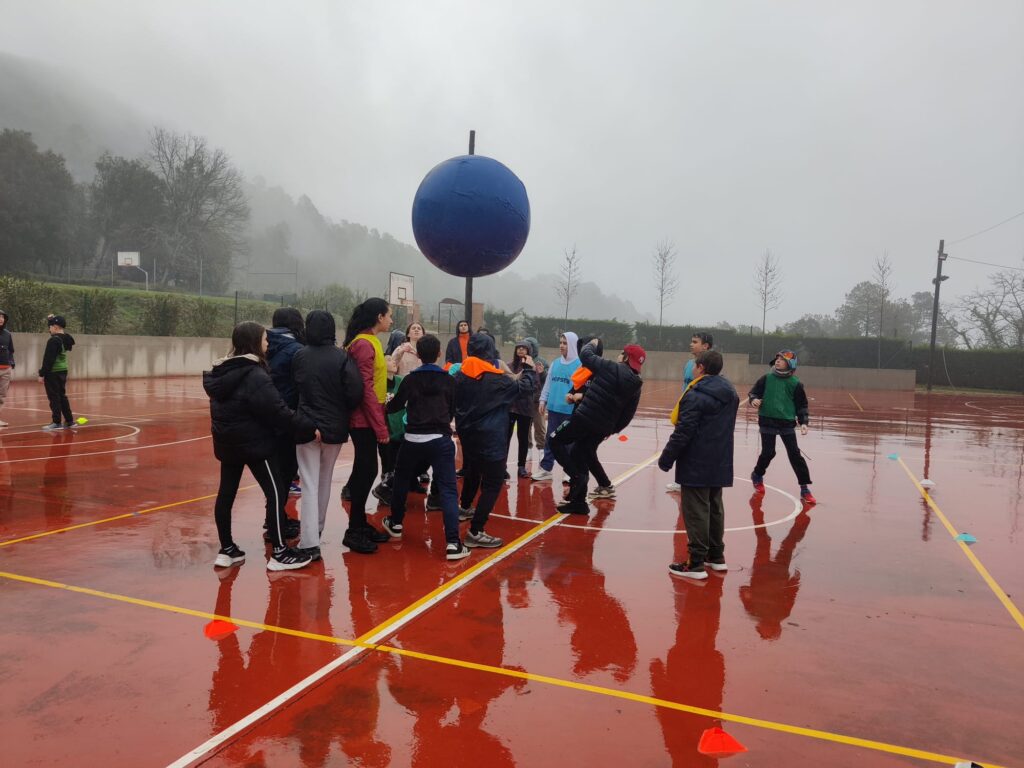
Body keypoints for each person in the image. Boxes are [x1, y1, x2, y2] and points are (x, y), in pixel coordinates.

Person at [203, 321, 317, 571]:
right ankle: (280, 552)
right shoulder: (255, 375)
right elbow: (277, 411)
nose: (268, 343)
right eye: (265, 339)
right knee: (275, 492)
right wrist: (309, 427)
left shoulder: (219, 372)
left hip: (227, 443)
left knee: (226, 494)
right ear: (255, 342)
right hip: (255, 443)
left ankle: (227, 549)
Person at [381, 334, 471, 560]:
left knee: (401, 481)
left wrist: (384, 403)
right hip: (440, 439)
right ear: (439, 354)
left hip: (412, 438)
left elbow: (394, 406)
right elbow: (453, 409)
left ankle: (396, 523)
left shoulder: (410, 380)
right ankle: (453, 543)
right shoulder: (449, 380)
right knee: (448, 490)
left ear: (418, 355)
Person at [657, 349, 739, 580]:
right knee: (714, 507)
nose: (692, 369)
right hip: (720, 458)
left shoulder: (695, 395)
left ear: (701, 368)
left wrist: (666, 458)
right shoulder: (730, 393)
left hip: (696, 460)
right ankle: (716, 556)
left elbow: (684, 431)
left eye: (694, 365)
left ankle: (695, 563)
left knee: (696, 511)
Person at [291, 310, 364, 559]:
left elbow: (296, 387)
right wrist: (340, 411)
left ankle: (309, 541)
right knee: (324, 479)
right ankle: (317, 530)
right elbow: (355, 391)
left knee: (309, 482)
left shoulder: (300, 355)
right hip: (335, 426)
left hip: (306, 425)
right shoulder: (342, 357)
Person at [454, 333, 536, 549]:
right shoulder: (497, 380)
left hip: (467, 434)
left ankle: (464, 507)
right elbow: (525, 388)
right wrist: (528, 369)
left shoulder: (460, 375)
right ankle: (476, 531)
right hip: (490, 438)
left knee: (472, 471)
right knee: (493, 482)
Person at [549, 339, 644, 514]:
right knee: (580, 453)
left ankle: (575, 476)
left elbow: (585, 356)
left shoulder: (610, 367)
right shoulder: (636, 385)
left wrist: (592, 344)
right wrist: (611, 429)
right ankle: (579, 503)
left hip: (584, 418)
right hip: (602, 427)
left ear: (625, 357)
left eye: (621, 353)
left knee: (554, 440)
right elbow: (627, 416)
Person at [342, 297, 394, 554]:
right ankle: (353, 529)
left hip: (368, 417)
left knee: (365, 470)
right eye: (389, 315)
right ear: (379, 317)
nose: (391, 320)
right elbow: (366, 389)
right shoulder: (363, 344)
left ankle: (359, 523)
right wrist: (380, 427)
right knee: (366, 471)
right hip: (363, 420)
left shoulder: (369, 341)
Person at [749, 349, 816, 504]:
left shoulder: (796, 384)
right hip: (767, 420)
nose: (778, 361)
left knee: (795, 455)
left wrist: (804, 422)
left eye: (782, 359)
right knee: (768, 452)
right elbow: (754, 393)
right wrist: (754, 399)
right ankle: (757, 474)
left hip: (786, 423)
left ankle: (805, 489)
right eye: (777, 358)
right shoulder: (766, 378)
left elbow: (802, 405)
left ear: (790, 364)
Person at [266, 307, 305, 502]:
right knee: (287, 463)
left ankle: (275, 510)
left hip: (267, 409)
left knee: (274, 463)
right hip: (289, 411)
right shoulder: (296, 349)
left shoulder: (264, 343)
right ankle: (277, 515)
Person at [667, 331, 714, 493]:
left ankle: (702, 480)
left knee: (700, 447)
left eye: (695, 342)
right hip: (685, 410)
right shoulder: (688, 364)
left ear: (705, 346)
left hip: (700, 413)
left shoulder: (711, 366)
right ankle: (681, 481)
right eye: (691, 341)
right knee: (682, 446)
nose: (691, 344)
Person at [531, 332, 580, 481]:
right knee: (550, 440)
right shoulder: (555, 363)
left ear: (572, 345)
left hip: (569, 411)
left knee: (568, 442)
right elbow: (548, 384)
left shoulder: (579, 365)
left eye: (565, 343)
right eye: (560, 343)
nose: (561, 346)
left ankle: (570, 471)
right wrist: (543, 400)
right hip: (553, 409)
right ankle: (546, 468)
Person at [38, 314, 76, 431]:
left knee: (54, 397)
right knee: (62, 396)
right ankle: (69, 421)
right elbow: (64, 335)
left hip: (53, 372)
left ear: (55, 327)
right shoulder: (66, 339)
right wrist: (51, 320)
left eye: (50, 327)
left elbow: (48, 359)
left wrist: (42, 373)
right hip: (63, 371)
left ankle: (56, 422)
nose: (49, 329)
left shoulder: (53, 340)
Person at [507, 340, 535, 478]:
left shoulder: (532, 367)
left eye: (524, 348)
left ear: (529, 351)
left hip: (525, 408)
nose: (521, 350)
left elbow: (535, 386)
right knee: (505, 437)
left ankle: (521, 466)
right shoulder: (509, 366)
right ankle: (502, 466)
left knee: (523, 438)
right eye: (519, 347)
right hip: (510, 407)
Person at [0, 309, 14, 428]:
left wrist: (11, 363)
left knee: (2, 395)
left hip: (6, 369)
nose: (1, 319)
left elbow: (11, 350)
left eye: (2, 317)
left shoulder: (7, 334)